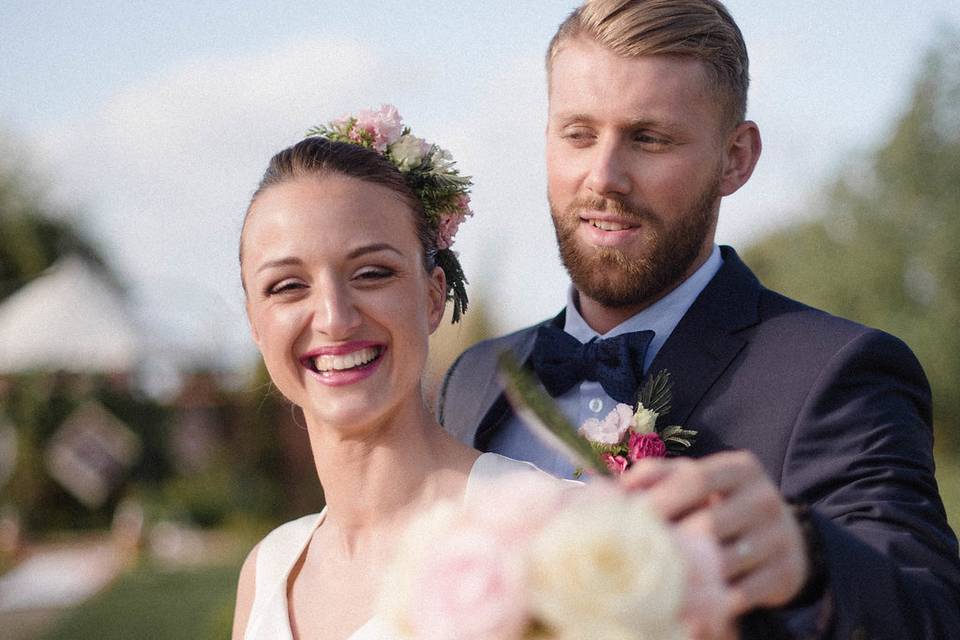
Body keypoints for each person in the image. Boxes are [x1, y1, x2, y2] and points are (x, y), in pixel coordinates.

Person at [438, 1, 960, 638]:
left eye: (649, 138)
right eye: (578, 134)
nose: (603, 177)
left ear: (736, 158)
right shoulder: (473, 380)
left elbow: (932, 613)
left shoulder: (839, 374)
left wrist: (809, 560)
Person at [230, 107, 563, 640]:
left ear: (433, 296)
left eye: (371, 273)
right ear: (253, 321)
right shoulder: (266, 572)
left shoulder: (546, 530)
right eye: (288, 286)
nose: (335, 318)